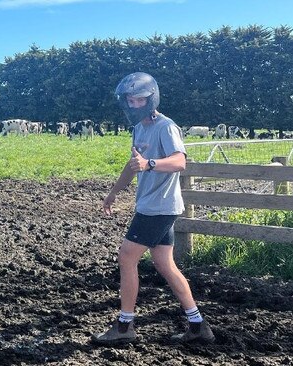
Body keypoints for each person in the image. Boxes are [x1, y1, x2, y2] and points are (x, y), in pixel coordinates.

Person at [91, 72, 214, 345]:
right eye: (130, 100)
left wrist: (151, 164)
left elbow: (180, 161)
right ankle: (198, 326)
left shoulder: (166, 127)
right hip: (152, 206)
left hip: (158, 208)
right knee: (164, 264)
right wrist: (114, 191)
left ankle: (125, 326)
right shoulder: (139, 129)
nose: (134, 105)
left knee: (126, 257)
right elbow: (133, 163)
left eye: (139, 100)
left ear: (151, 98)